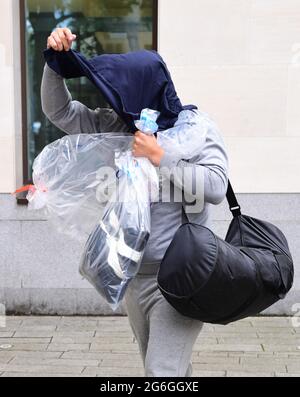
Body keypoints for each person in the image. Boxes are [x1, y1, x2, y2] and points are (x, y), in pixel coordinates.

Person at [41, 28, 229, 377]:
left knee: (161, 372)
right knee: (169, 369)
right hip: (133, 277)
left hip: (182, 277)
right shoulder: (115, 125)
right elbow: (60, 112)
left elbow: (216, 187)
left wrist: (161, 156)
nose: (111, 102)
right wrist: (54, 62)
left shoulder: (195, 130)